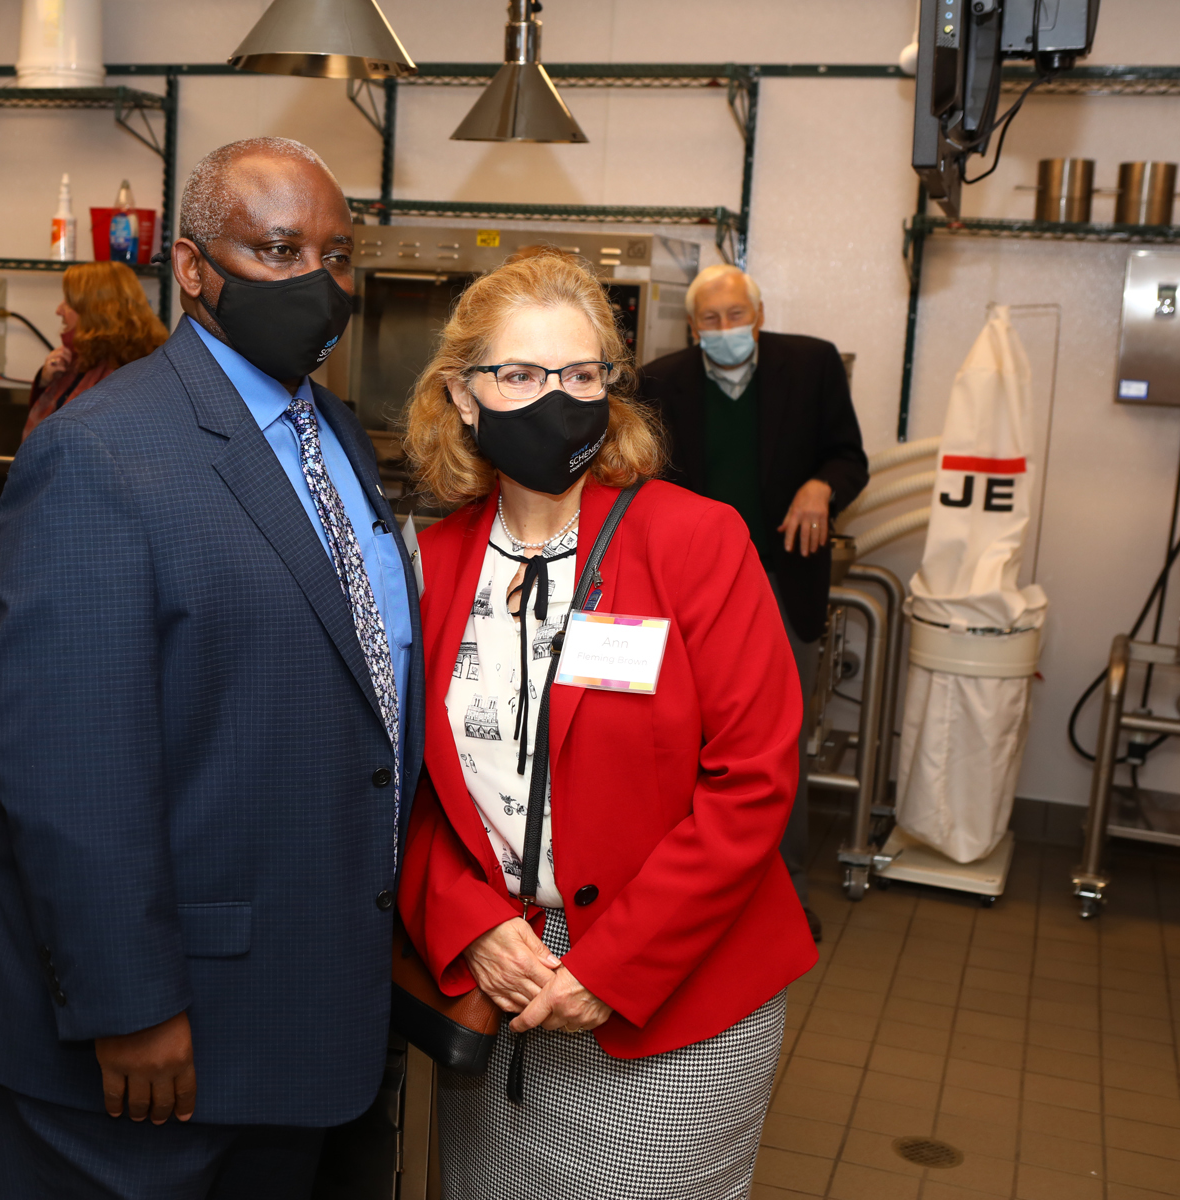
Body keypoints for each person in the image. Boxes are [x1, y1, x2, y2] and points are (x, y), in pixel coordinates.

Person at [0, 137, 422, 1199]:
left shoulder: (334, 436)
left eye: (336, 253)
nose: (318, 282)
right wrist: (128, 1004)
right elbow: (69, 762)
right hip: (145, 1039)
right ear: (192, 269)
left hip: (298, 1013)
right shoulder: (99, 452)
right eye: (279, 251)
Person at [396, 245, 815, 1200]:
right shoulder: (430, 566)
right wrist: (469, 924)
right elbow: (406, 786)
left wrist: (611, 965)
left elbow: (752, 782)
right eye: (522, 375)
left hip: (675, 997)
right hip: (498, 980)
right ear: (464, 396)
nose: (559, 398)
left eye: (582, 374)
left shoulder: (695, 543)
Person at [639, 264, 868, 940]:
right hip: (686, 588)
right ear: (692, 327)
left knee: (775, 743)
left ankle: (782, 896)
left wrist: (821, 487)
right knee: (682, 737)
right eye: (711, 320)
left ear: (759, 317)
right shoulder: (661, 382)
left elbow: (849, 458)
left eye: (737, 315)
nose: (726, 330)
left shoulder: (813, 365)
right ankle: (687, 894)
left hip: (780, 581)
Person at [22, 260, 167, 441]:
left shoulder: (131, 377)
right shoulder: (80, 357)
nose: (59, 310)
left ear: (94, 311)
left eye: (68, 302)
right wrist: (43, 381)